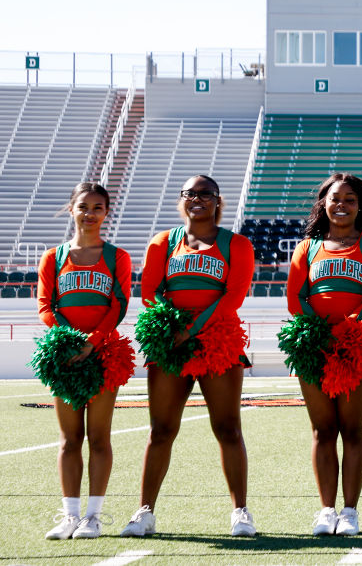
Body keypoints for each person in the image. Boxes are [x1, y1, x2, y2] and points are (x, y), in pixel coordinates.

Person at [121, 175, 257, 538]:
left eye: (205, 194)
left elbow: (233, 296)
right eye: (190, 194)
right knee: (161, 430)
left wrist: (192, 329)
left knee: (227, 428)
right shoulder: (163, 242)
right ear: (182, 200)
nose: (197, 199)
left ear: (217, 201)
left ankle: (240, 513)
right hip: (171, 345)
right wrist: (172, 328)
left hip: (218, 341)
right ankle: (145, 512)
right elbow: (150, 291)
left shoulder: (237, 244)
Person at [285, 173, 362, 536]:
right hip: (314, 347)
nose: (341, 204)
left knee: (354, 430)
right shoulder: (307, 248)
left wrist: (346, 334)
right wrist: (321, 334)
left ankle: (350, 512)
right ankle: (325, 510)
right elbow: (296, 297)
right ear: (323, 204)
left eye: (350, 198)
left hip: (355, 347)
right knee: (322, 430)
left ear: (360, 206)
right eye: (335, 198)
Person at [36, 183, 133, 539]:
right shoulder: (53, 256)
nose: (90, 213)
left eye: (97, 207)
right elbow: (46, 305)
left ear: (106, 213)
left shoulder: (116, 257)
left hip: (103, 354)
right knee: (69, 439)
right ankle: (68, 516)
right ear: (72, 209)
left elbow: (118, 304)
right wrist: (72, 342)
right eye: (83, 206)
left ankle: (93, 516)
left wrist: (92, 343)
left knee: (99, 437)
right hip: (66, 356)